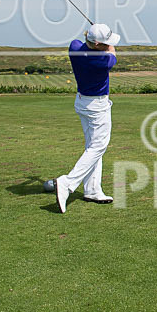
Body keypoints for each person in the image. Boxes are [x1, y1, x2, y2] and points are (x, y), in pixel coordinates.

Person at [55, 23, 120, 213]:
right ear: (98, 44)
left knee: (92, 147)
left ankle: (92, 190)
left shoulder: (75, 46)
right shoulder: (102, 62)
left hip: (82, 102)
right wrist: (105, 43)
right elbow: (112, 53)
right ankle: (67, 183)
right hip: (97, 106)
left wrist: (93, 36)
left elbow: (82, 41)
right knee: (98, 146)